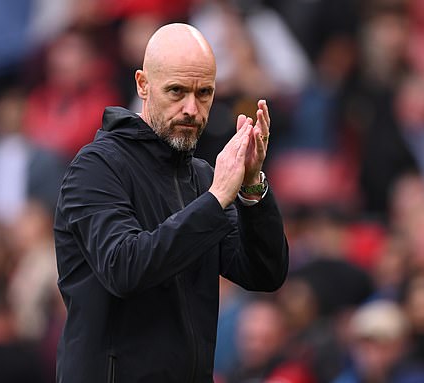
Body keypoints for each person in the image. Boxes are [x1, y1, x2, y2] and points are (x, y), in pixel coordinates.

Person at [54, 23, 289, 382]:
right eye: (177, 91)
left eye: (204, 92)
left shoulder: (201, 177)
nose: (191, 109)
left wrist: (252, 187)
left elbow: (263, 273)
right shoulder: (96, 167)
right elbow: (124, 268)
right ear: (142, 85)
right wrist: (215, 200)